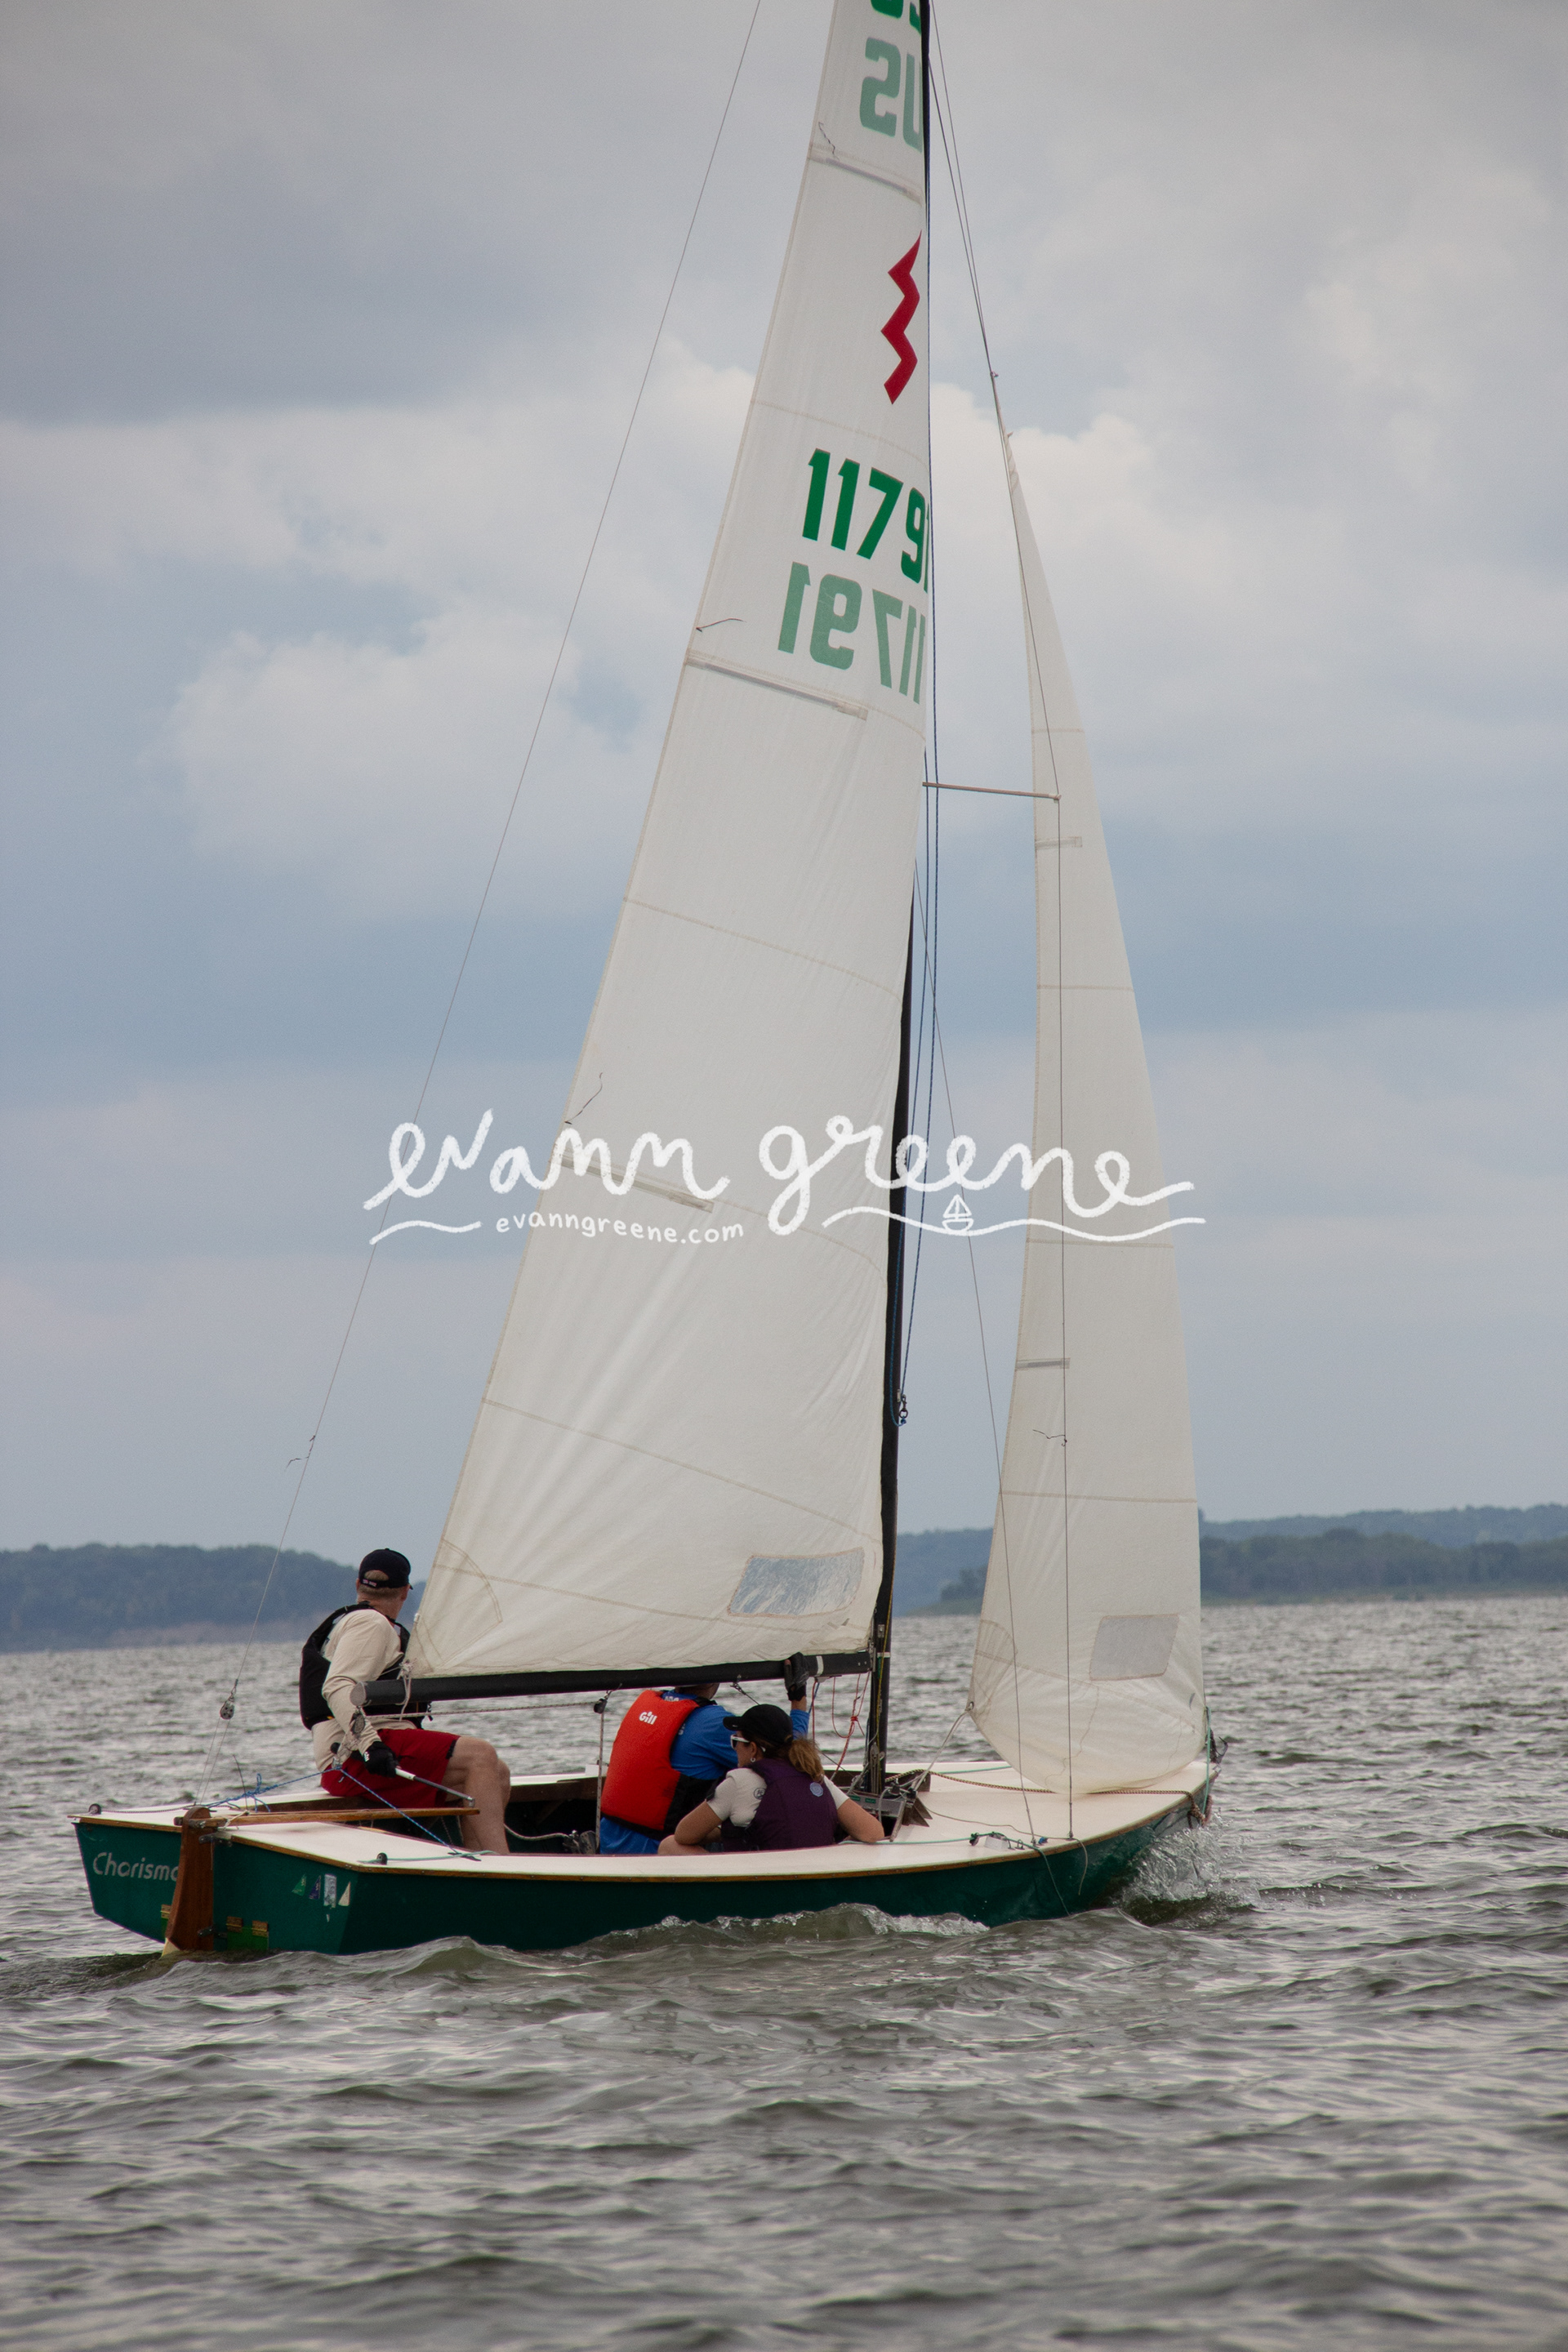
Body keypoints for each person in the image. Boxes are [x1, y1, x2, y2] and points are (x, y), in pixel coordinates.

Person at [300, 1548, 512, 1853]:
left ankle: (480, 1859)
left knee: (497, 1772)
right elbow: (337, 1687)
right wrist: (371, 1746)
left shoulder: (356, 1622)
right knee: (480, 1755)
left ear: (358, 1584)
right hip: (354, 1758)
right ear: (404, 1592)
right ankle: (502, 1864)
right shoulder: (371, 1624)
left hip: (358, 1756)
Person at [597, 1676, 812, 1855]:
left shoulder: (649, 1705)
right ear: (713, 1681)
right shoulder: (712, 1722)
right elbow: (786, 1759)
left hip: (610, 1844)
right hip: (660, 1850)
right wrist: (799, 1702)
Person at [658, 1703, 885, 1855]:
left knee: (670, 1845)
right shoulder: (815, 1777)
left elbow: (684, 1834)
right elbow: (873, 1832)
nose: (735, 1748)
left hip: (758, 1883)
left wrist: (724, 1832)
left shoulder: (739, 1782)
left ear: (753, 1749)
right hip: (812, 1879)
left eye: (736, 1742)